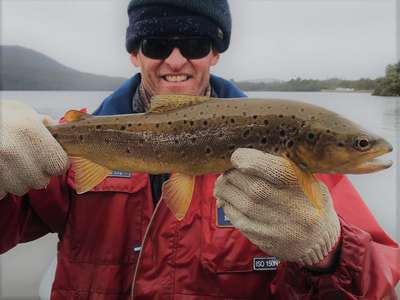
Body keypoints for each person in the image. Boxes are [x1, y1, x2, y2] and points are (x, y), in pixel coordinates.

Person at [0, 0, 399, 299]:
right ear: (134, 53)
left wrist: (328, 252)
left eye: (193, 42)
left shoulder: (302, 175)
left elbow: (383, 284)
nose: (176, 60)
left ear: (215, 51)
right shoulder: (66, 142)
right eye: (156, 44)